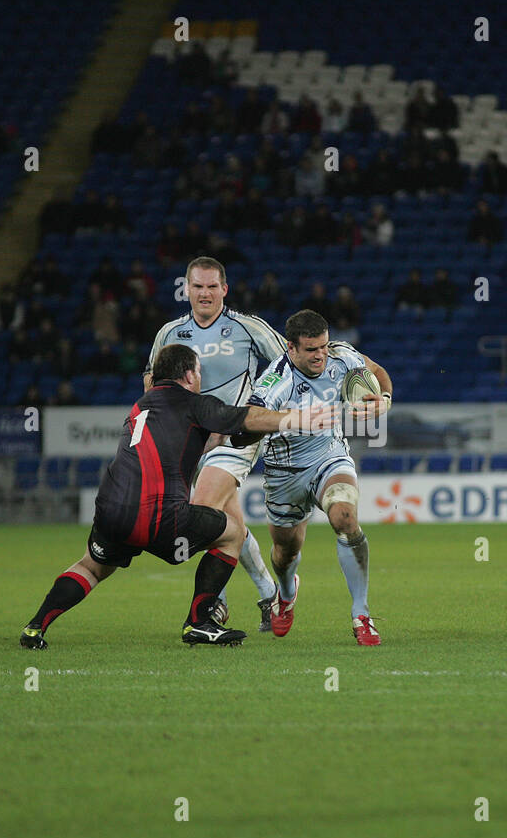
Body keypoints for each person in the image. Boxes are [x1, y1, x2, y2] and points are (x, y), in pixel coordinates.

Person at [20, 344, 334, 649]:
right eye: (198, 372)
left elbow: (190, 440)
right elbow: (248, 417)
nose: (200, 379)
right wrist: (297, 419)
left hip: (111, 512)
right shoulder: (192, 403)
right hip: (158, 517)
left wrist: (221, 436)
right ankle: (199, 622)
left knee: (91, 567)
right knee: (232, 534)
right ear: (187, 375)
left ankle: (35, 626)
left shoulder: (141, 406)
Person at [143, 258, 289, 632]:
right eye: (197, 287)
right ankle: (269, 594)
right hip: (190, 444)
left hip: (235, 435)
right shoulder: (170, 333)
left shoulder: (247, 327)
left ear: (225, 289)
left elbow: (286, 370)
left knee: (202, 508)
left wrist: (255, 414)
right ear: (186, 289)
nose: (204, 294)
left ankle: (211, 605)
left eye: (212, 287)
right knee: (229, 524)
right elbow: (151, 383)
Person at [248, 310, 394, 645]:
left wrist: (383, 401)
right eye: (312, 349)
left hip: (329, 456)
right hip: (284, 474)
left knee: (345, 517)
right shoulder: (276, 378)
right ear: (291, 348)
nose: (320, 356)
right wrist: (295, 420)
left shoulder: (342, 357)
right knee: (286, 550)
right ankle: (286, 594)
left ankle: (361, 614)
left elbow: (376, 370)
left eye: (324, 347)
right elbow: (251, 418)